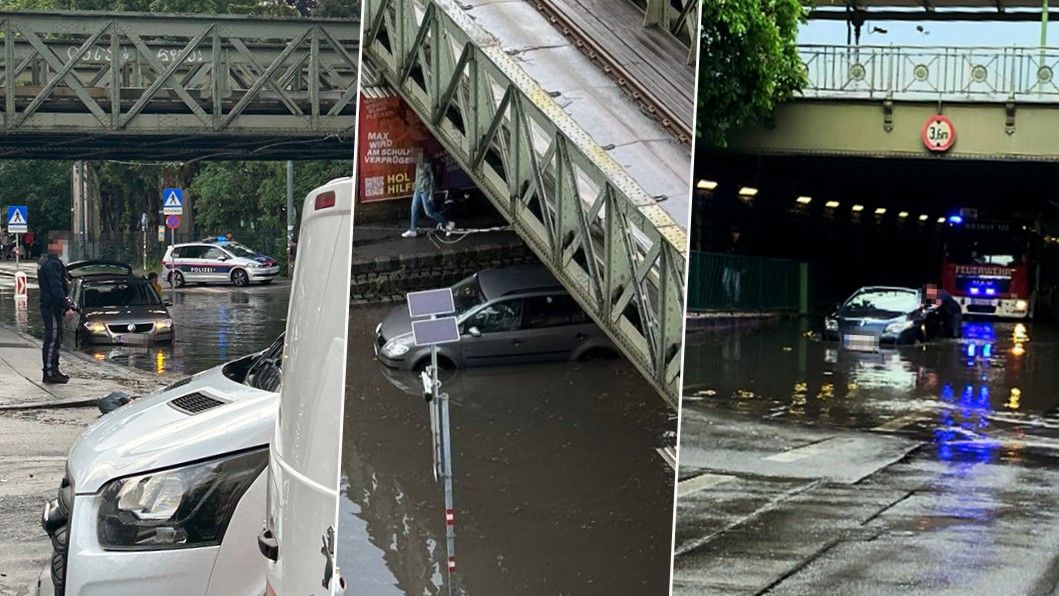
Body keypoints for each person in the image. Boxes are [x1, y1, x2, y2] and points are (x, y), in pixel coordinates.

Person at [37, 245, 74, 384]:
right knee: (52, 339)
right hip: (51, 306)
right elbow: (56, 288)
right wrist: (66, 307)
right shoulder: (51, 263)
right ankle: (49, 372)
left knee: (56, 338)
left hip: (50, 304)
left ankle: (53, 369)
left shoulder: (44, 260)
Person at [402, 152, 455, 238]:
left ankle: (449, 224)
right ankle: (413, 230)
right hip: (417, 190)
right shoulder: (417, 165)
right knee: (414, 210)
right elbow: (417, 178)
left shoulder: (428, 165)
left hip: (425, 191)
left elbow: (433, 181)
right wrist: (414, 188)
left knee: (429, 212)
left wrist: (431, 194)